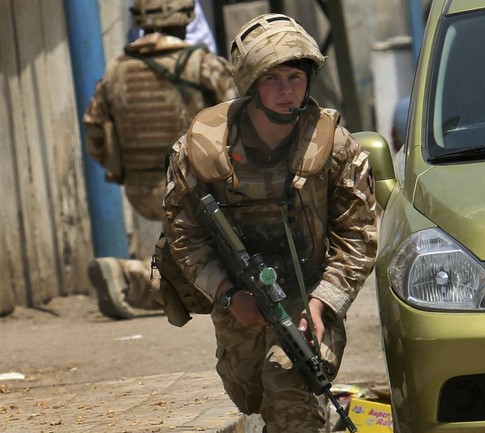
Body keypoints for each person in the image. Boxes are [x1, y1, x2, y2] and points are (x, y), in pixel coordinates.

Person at [162, 13, 378, 432]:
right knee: (251, 394)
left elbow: (358, 235)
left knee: (289, 384)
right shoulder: (200, 150)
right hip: (239, 302)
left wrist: (323, 304)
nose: (286, 91)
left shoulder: (334, 146)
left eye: (295, 77)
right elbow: (183, 235)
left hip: (310, 294)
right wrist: (227, 295)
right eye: (272, 78)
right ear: (251, 84)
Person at [83, 0, 237, 320]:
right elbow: (238, 120)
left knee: (191, 256)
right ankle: (131, 276)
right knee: (225, 267)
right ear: (186, 18)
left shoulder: (116, 68)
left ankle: (138, 281)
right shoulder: (204, 65)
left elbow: (94, 131)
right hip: (198, 190)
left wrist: (122, 169)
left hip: (141, 190)